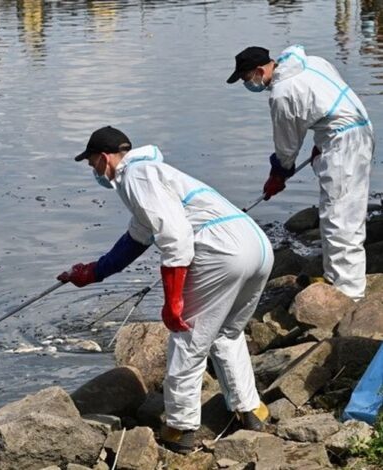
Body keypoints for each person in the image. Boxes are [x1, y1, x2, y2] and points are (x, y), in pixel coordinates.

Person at [57, 126, 273, 454]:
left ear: (104, 159)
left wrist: (173, 300)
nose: (95, 173)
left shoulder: (135, 177)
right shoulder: (154, 174)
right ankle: (250, 411)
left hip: (223, 253)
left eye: (92, 166)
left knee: (187, 339)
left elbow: (175, 237)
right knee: (228, 333)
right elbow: (136, 239)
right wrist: (93, 272)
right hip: (257, 249)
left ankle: (181, 429)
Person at [227, 45, 374, 301]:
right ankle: (339, 278)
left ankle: (350, 294)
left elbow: (287, 148)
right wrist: (320, 143)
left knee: (339, 218)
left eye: (247, 78)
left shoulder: (283, 93)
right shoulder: (312, 62)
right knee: (342, 211)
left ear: (261, 70)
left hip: (344, 144)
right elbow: (327, 100)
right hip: (356, 128)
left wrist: (278, 175)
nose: (248, 84)